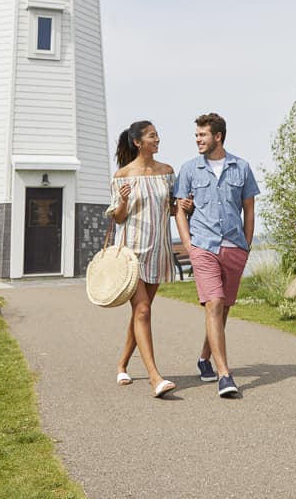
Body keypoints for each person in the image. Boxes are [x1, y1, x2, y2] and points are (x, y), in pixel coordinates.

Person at [173, 112, 259, 398]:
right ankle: (225, 375)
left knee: (223, 309)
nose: (198, 139)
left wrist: (246, 246)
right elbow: (179, 211)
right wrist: (188, 244)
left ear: (217, 136)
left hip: (234, 246)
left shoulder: (242, 168)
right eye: (196, 135)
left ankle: (204, 359)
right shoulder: (188, 169)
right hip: (203, 246)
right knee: (215, 303)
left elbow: (249, 209)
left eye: (202, 135)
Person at [107, 120, 181, 398]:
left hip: (159, 249)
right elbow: (118, 217)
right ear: (138, 142)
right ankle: (154, 378)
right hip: (131, 252)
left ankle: (122, 363)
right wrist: (123, 201)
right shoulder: (122, 176)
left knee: (142, 310)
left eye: (157, 135)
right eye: (152, 136)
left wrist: (182, 206)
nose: (157, 139)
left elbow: (172, 208)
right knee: (143, 311)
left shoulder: (167, 172)